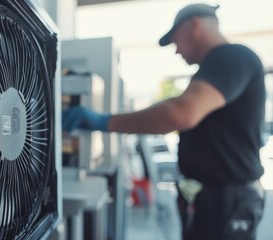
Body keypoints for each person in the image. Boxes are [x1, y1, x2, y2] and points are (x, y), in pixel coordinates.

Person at [62, 3, 266, 240]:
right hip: (214, 198)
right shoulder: (217, 67)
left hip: (228, 200)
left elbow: (181, 113)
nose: (176, 50)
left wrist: (103, 122)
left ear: (195, 25)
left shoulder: (232, 57)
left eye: (175, 40)